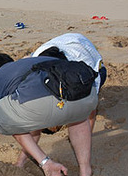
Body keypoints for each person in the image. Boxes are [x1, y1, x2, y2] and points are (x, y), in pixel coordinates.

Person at [17, 33, 106, 167]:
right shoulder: (35, 71)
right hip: (56, 48)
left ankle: (84, 169)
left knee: (83, 112)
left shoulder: (83, 75)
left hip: (86, 54)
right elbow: (34, 128)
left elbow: (90, 112)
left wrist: (85, 138)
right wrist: (20, 162)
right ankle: (21, 161)